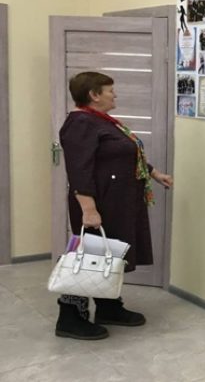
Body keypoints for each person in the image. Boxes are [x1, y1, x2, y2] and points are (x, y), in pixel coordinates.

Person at [56, 72, 173, 340]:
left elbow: (120, 156)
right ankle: (70, 317)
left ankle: (108, 306)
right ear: (94, 95)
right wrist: (88, 209)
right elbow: (79, 171)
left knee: (110, 257)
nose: (115, 95)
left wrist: (154, 173)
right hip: (98, 205)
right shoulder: (80, 123)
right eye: (110, 90)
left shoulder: (100, 121)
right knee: (88, 259)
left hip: (116, 203)